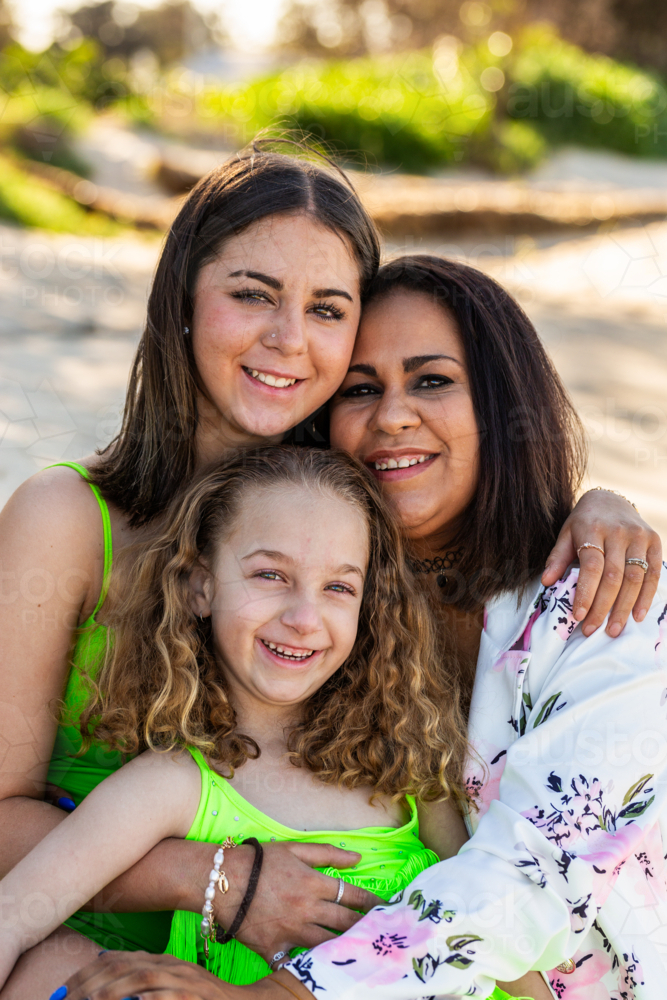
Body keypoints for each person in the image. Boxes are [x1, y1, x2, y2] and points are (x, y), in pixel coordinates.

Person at [0, 138, 660, 978]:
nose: (287, 339)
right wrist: (220, 880)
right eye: (252, 294)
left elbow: (470, 486)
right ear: (183, 303)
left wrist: (593, 505)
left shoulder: (344, 509)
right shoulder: (65, 519)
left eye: (326, 309)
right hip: (74, 941)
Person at [0, 447, 548, 1000]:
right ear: (200, 586)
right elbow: (14, 915)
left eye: (339, 587)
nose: (304, 618)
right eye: (270, 574)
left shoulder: (405, 768)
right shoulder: (170, 786)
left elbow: (486, 924)